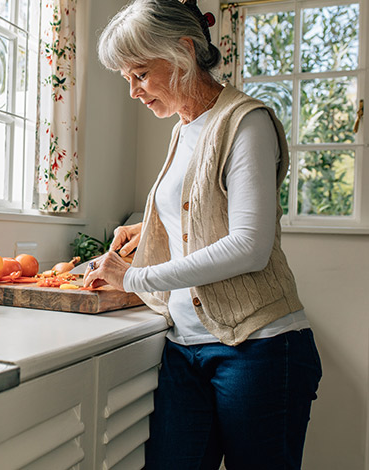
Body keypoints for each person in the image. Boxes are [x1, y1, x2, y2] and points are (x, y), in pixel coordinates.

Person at [84, 0, 323, 468]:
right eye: (126, 79)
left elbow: (248, 247)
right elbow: (201, 211)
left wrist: (133, 278)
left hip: (259, 350)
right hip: (185, 348)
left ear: (183, 52)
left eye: (139, 74)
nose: (133, 91)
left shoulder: (246, 123)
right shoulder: (184, 128)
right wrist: (151, 226)